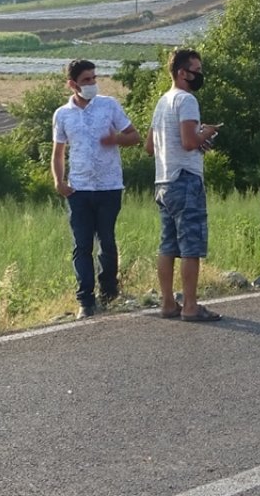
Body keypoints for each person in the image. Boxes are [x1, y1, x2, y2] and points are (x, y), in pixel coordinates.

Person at [51, 59, 141, 319]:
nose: (92, 84)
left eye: (94, 78)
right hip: (79, 188)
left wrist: (116, 139)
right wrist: (59, 181)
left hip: (109, 186)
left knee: (107, 241)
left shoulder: (109, 105)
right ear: (72, 84)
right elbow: (58, 152)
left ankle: (109, 291)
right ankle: (86, 300)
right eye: (86, 80)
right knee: (82, 245)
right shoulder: (63, 114)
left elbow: (134, 136)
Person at [145, 48, 221, 321]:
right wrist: (206, 133)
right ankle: (190, 305)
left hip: (163, 180)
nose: (199, 75)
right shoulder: (187, 100)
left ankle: (167, 302)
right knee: (191, 246)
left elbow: (149, 146)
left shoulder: (162, 101)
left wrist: (189, 141)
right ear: (182, 72)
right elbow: (189, 142)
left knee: (167, 245)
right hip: (185, 179)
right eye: (196, 71)